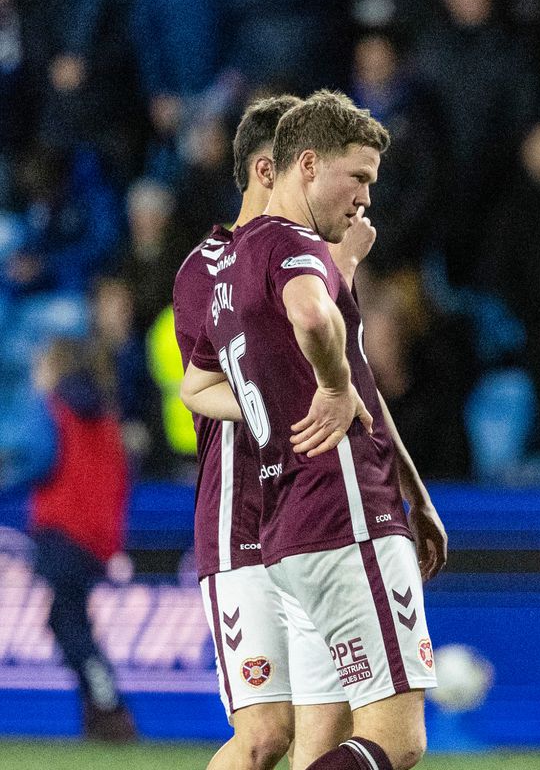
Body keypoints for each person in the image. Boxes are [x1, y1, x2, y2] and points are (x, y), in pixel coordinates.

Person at [181, 90, 446, 770]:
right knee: (389, 736)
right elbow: (314, 326)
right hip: (332, 509)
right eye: (357, 177)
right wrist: (327, 385)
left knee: (318, 742)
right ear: (293, 166)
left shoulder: (238, 268)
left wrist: (412, 488)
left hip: (290, 522)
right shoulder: (279, 249)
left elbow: (206, 383)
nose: (365, 199)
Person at [174, 94, 355, 770]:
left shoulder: (306, 257)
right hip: (240, 510)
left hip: (308, 507)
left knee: (326, 726)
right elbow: (218, 384)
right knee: (264, 735)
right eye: (305, 161)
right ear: (265, 168)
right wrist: (297, 401)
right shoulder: (209, 269)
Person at [28, 337, 134, 741]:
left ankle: (108, 707)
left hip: (65, 530)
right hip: (94, 535)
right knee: (66, 619)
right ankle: (100, 708)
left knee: (68, 622)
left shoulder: (57, 409)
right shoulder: (102, 412)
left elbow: (35, 460)